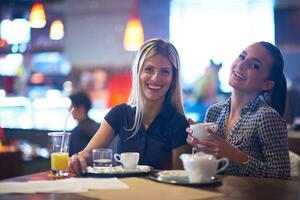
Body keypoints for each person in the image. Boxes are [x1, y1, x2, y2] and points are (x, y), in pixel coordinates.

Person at [69, 38, 191, 174]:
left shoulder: (179, 124)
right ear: (137, 73)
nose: (156, 78)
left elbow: (180, 179)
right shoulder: (120, 114)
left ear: (173, 79)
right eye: (149, 69)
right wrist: (78, 159)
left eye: (165, 71)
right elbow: (88, 154)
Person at [187, 41, 290, 179]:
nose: (240, 65)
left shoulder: (267, 117)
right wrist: (199, 148)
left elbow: (282, 177)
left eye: (254, 65)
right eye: (242, 57)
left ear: (267, 84)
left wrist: (236, 155)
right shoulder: (214, 111)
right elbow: (209, 169)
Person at [68, 91, 100, 156]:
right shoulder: (98, 126)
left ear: (81, 108)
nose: (69, 109)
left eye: (72, 106)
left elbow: (74, 157)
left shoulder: (78, 132)